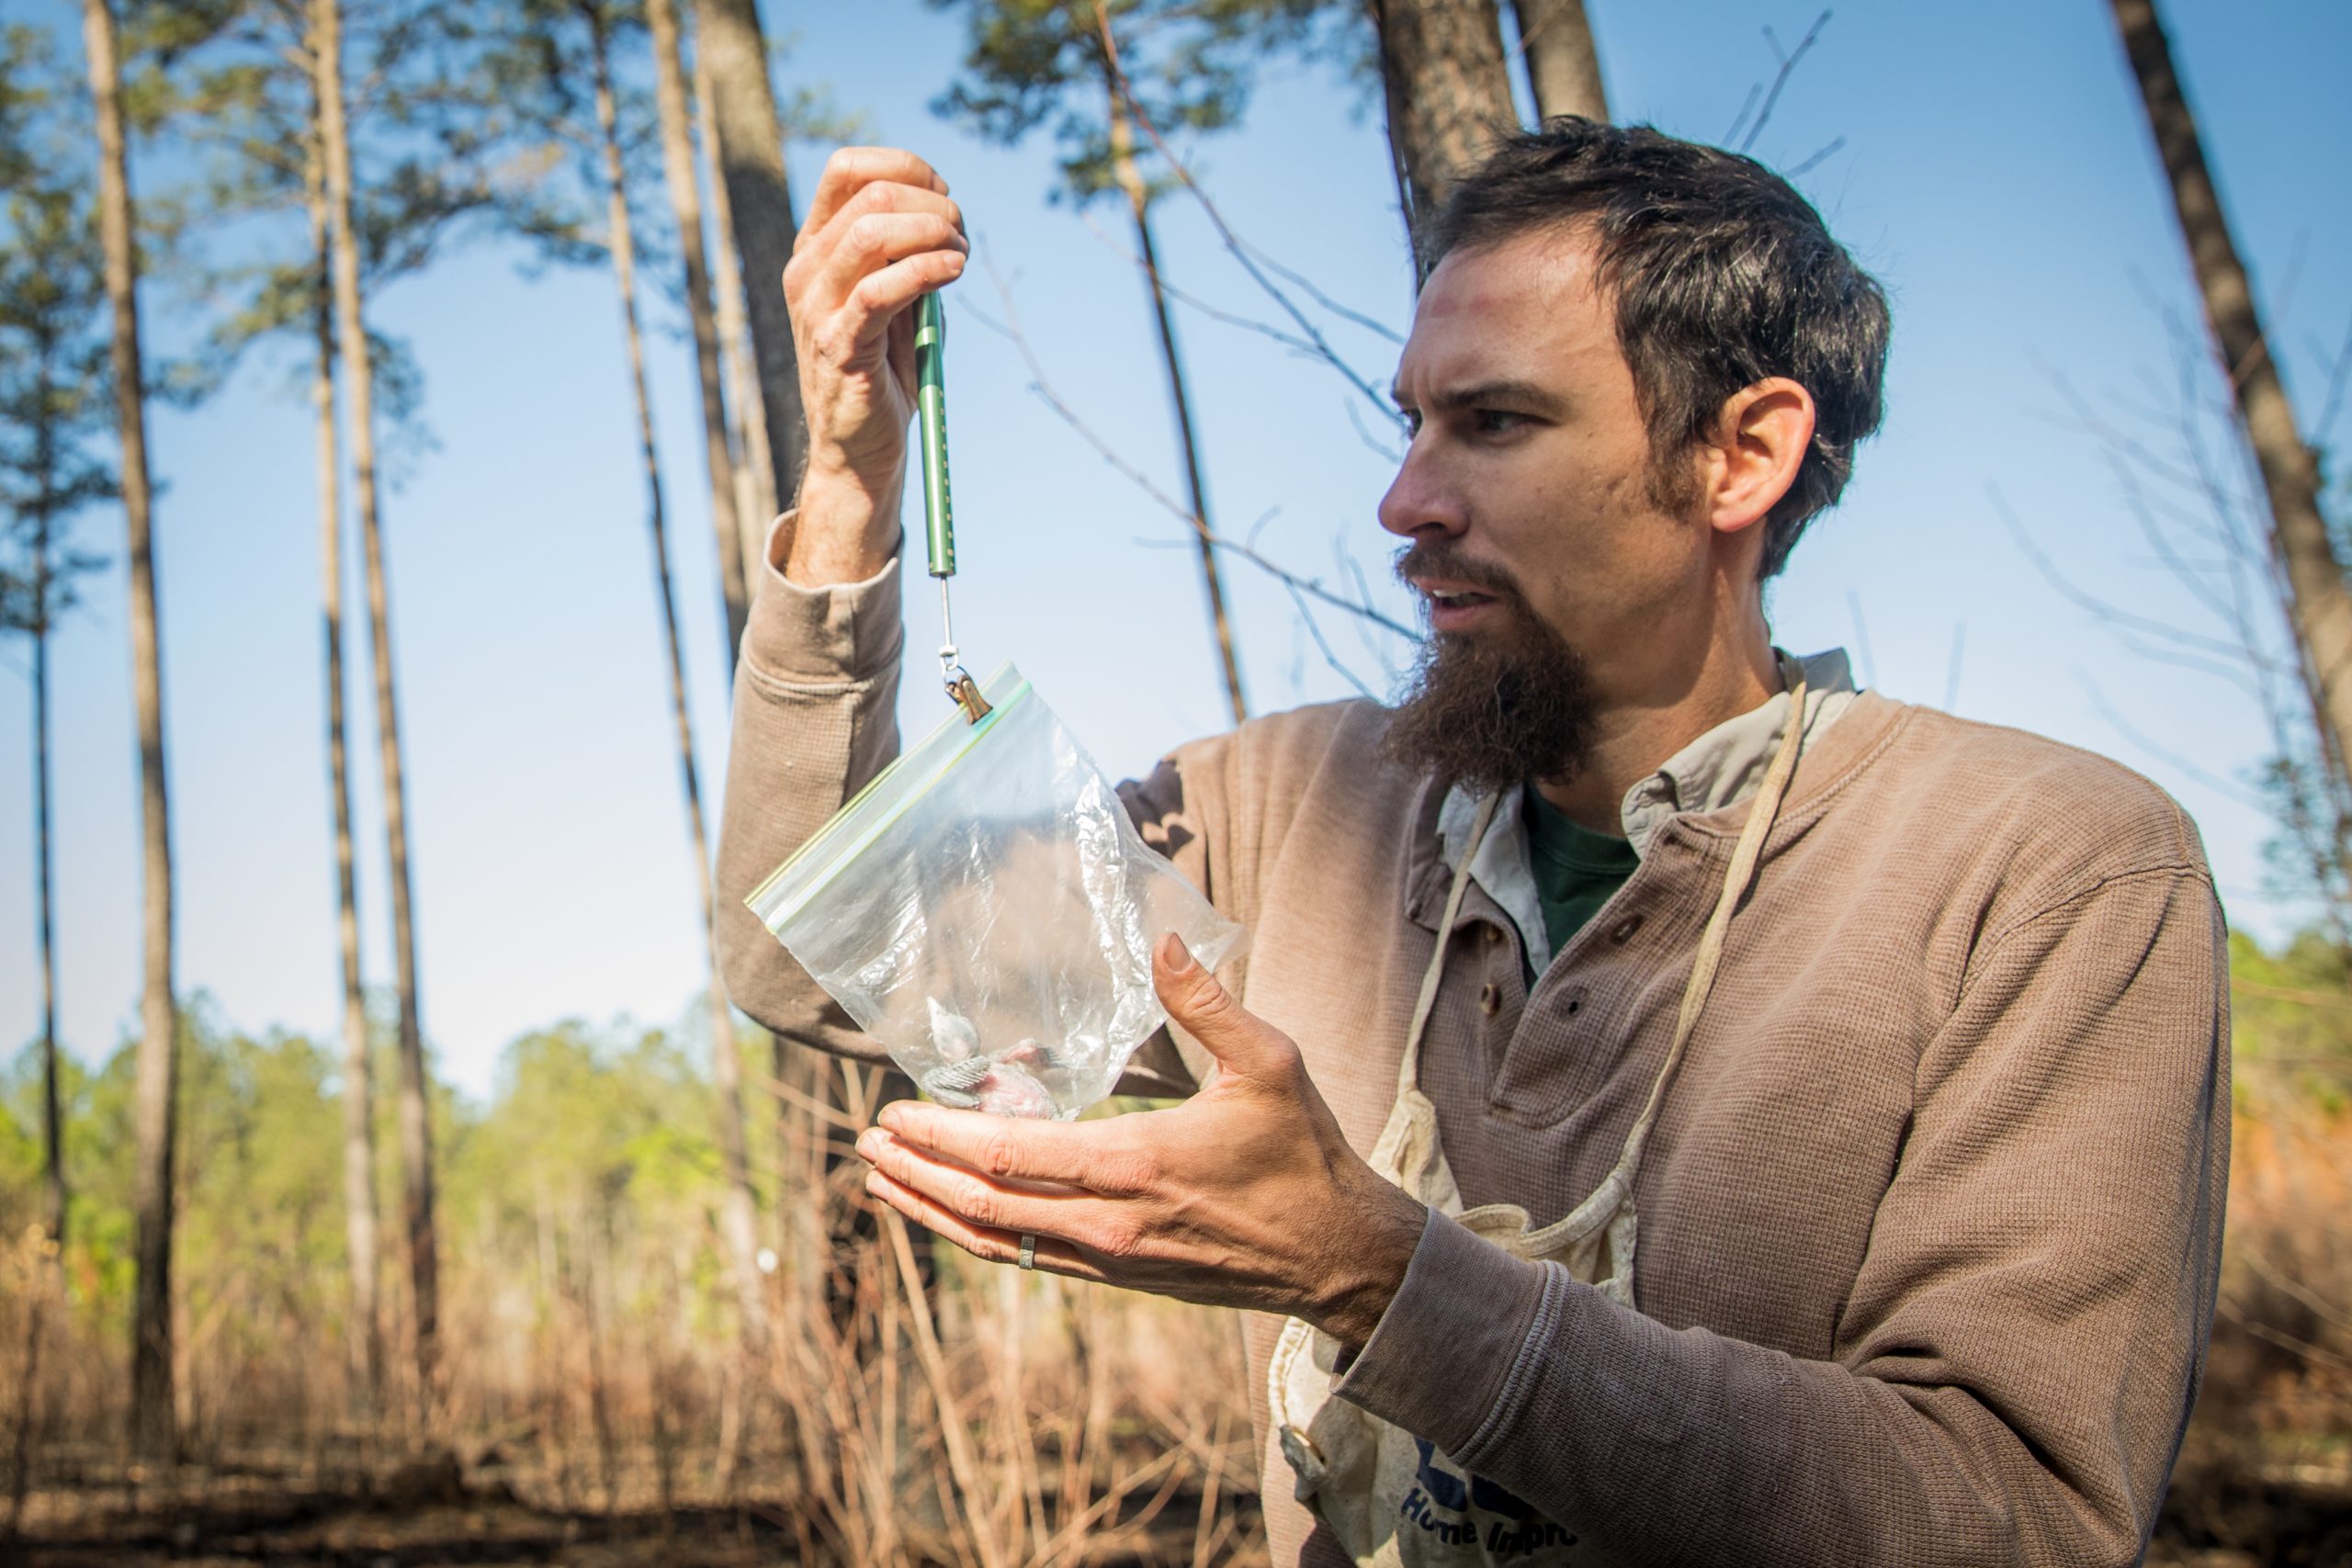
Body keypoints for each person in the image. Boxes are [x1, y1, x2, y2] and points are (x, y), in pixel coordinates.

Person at [716, 121, 2227, 1567]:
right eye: (1412, 422)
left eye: (1493, 423)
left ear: (1744, 456)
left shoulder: (2048, 869)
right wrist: (850, 487)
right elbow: (815, 967)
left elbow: (2017, 1522)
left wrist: (1373, 1273)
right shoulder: (1293, 805)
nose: (1402, 501)